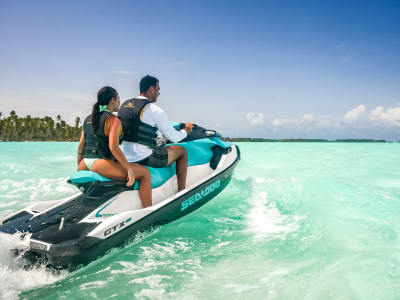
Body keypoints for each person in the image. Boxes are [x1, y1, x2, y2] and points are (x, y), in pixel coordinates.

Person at [77, 86, 152, 208]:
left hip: (83, 164)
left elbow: (81, 148)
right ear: (113, 100)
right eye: (118, 98)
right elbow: (113, 148)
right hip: (100, 164)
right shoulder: (113, 120)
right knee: (144, 173)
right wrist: (129, 169)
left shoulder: (88, 119)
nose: (119, 102)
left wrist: (79, 166)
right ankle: (148, 210)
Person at [118, 75, 193, 192]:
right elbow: (174, 138)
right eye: (158, 89)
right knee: (182, 151)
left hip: (123, 156)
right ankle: (182, 191)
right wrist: (186, 130)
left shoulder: (124, 105)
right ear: (151, 89)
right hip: (142, 157)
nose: (158, 93)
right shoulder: (155, 110)